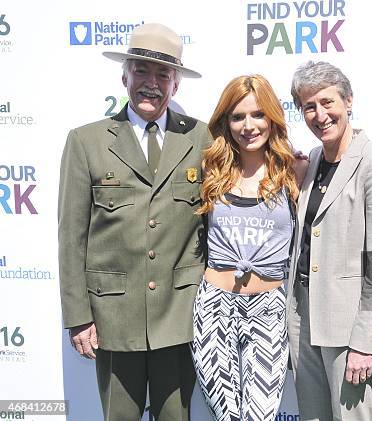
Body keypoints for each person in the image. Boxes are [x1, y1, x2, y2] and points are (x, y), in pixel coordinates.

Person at [58, 23, 211, 421]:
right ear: (124, 75)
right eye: (141, 71)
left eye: (163, 74)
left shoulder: (201, 139)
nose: (152, 83)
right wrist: (78, 317)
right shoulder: (86, 141)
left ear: (175, 84)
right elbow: (71, 237)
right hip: (112, 318)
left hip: (180, 316)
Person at [190, 74, 308, 421]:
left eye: (258, 114)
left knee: (260, 415)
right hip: (214, 307)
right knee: (226, 415)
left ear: (272, 118)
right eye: (238, 116)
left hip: (269, 309)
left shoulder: (295, 170)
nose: (248, 125)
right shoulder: (212, 169)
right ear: (226, 122)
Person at [287, 61, 372, 420]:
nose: (319, 115)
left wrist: (366, 341)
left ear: (348, 101)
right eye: (308, 106)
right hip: (302, 318)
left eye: (326, 102)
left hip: (349, 327)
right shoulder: (314, 159)